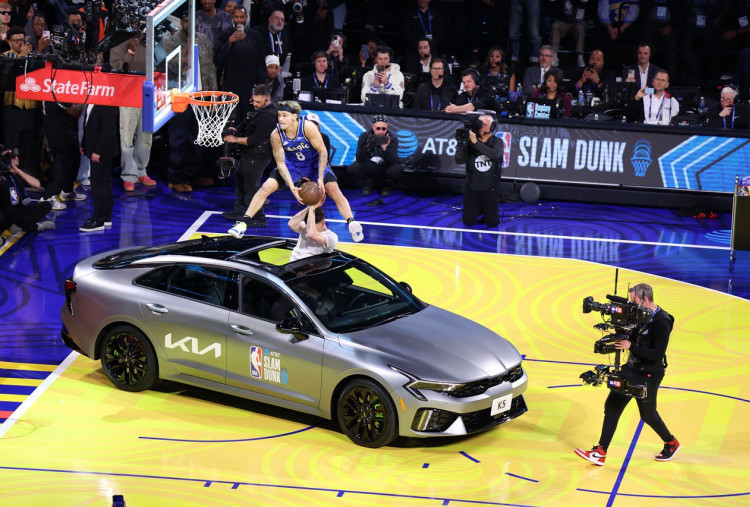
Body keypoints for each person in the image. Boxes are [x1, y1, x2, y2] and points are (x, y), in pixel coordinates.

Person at [575, 283, 680, 466]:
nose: (632, 306)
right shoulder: (639, 315)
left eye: (634, 301)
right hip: (632, 369)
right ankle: (600, 451)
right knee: (613, 405)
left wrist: (631, 346)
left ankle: (671, 443)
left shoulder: (662, 321)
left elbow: (657, 354)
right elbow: (633, 335)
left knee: (647, 414)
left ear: (644, 299)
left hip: (649, 374)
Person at [228, 100, 363, 242]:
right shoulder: (276, 134)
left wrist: (320, 178)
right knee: (266, 187)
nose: (280, 119)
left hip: (314, 164)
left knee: (333, 189)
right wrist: (292, 186)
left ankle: (351, 222)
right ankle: (242, 224)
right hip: (292, 166)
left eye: (284, 115)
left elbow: (323, 152)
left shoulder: (308, 127)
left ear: (294, 116)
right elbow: (280, 163)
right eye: (279, 116)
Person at [222, 84, 278, 221]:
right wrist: (236, 129)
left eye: (258, 102)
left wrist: (234, 139)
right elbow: (247, 121)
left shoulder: (268, 116)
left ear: (267, 100)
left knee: (251, 185)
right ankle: (239, 210)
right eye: (254, 100)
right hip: (250, 154)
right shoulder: (257, 109)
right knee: (240, 177)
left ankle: (258, 217)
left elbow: (254, 140)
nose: (255, 104)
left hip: (259, 154)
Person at [110, 35, 156, 192]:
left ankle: (141, 170)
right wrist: (130, 51)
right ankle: (129, 174)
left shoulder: (149, 43)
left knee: (146, 134)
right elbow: (116, 70)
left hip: (147, 94)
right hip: (127, 95)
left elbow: (159, 62)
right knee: (127, 136)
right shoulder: (117, 45)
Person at [455, 115, 503, 228]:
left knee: (492, 223)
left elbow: (494, 154)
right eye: (481, 123)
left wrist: (476, 143)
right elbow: (459, 160)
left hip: (491, 188)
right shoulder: (470, 142)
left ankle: (484, 209)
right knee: (468, 221)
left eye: (485, 124)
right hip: (472, 188)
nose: (482, 126)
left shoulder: (497, 142)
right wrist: (461, 144)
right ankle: (478, 209)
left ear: (492, 127)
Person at [79, 104, 119, 232]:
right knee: (102, 182)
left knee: (99, 183)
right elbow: (87, 125)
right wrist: (84, 144)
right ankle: (105, 216)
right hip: (95, 149)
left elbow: (108, 130)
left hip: (102, 151)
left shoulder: (109, 104)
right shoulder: (91, 101)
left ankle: (99, 219)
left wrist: (98, 151)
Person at [347, 113, 402, 197]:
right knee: (353, 167)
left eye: (384, 129)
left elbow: (393, 161)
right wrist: (369, 146)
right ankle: (367, 185)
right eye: (378, 128)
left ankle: (386, 187)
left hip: (385, 167)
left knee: (397, 169)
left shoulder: (393, 138)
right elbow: (359, 158)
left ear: (387, 128)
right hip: (370, 166)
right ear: (373, 127)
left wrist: (385, 149)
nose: (381, 131)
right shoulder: (365, 136)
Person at [0, 148, 54, 233]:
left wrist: (16, 170)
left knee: (47, 205)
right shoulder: (2, 176)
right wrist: (5, 166)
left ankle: (19, 225)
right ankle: (36, 227)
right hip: (9, 213)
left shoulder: (20, 173)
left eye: (15, 156)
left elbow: (37, 184)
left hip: (23, 210)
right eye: (10, 157)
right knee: (7, 211)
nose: (16, 158)